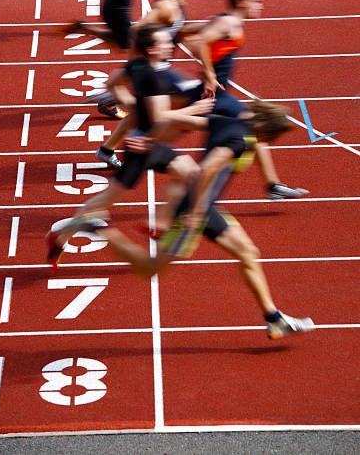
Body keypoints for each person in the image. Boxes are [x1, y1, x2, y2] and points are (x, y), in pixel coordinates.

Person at [72, 101, 315, 340]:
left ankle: (274, 320)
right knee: (151, 268)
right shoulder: (240, 140)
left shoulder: (226, 122)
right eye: (274, 138)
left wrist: (151, 141)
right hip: (193, 209)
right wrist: (197, 213)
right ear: (268, 131)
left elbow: (172, 118)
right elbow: (205, 170)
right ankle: (98, 226)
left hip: (206, 207)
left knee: (248, 252)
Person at [46, 22, 213, 269]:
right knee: (106, 199)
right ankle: (59, 237)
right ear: (152, 50)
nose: (170, 44)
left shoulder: (136, 64)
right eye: (164, 42)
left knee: (193, 175)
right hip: (141, 147)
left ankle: (160, 225)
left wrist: (133, 105)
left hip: (152, 142)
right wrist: (194, 109)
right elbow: (160, 118)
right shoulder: (153, 78)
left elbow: (113, 83)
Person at [194, 0, 309, 200]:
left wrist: (183, 33)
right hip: (213, 94)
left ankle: (272, 185)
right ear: (240, 1)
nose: (260, 4)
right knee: (254, 126)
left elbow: (198, 36)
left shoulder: (226, 22)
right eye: (255, 0)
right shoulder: (229, 22)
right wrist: (209, 75)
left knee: (252, 129)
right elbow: (200, 41)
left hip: (219, 94)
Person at [95, 0, 203, 167]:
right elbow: (137, 31)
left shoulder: (179, 4)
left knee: (140, 113)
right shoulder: (167, 6)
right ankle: (143, 145)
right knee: (187, 99)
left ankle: (109, 149)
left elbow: (176, 32)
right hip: (152, 71)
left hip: (158, 69)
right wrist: (139, 67)